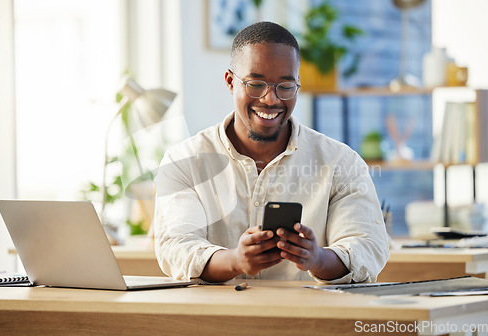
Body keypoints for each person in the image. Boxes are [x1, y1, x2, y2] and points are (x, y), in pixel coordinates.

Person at [154, 21, 389, 284]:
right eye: (256, 84)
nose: (271, 99)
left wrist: (318, 259)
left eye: (285, 86)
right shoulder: (184, 161)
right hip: (215, 320)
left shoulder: (341, 162)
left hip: (308, 321)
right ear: (231, 82)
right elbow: (175, 246)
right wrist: (235, 261)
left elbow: (368, 248)